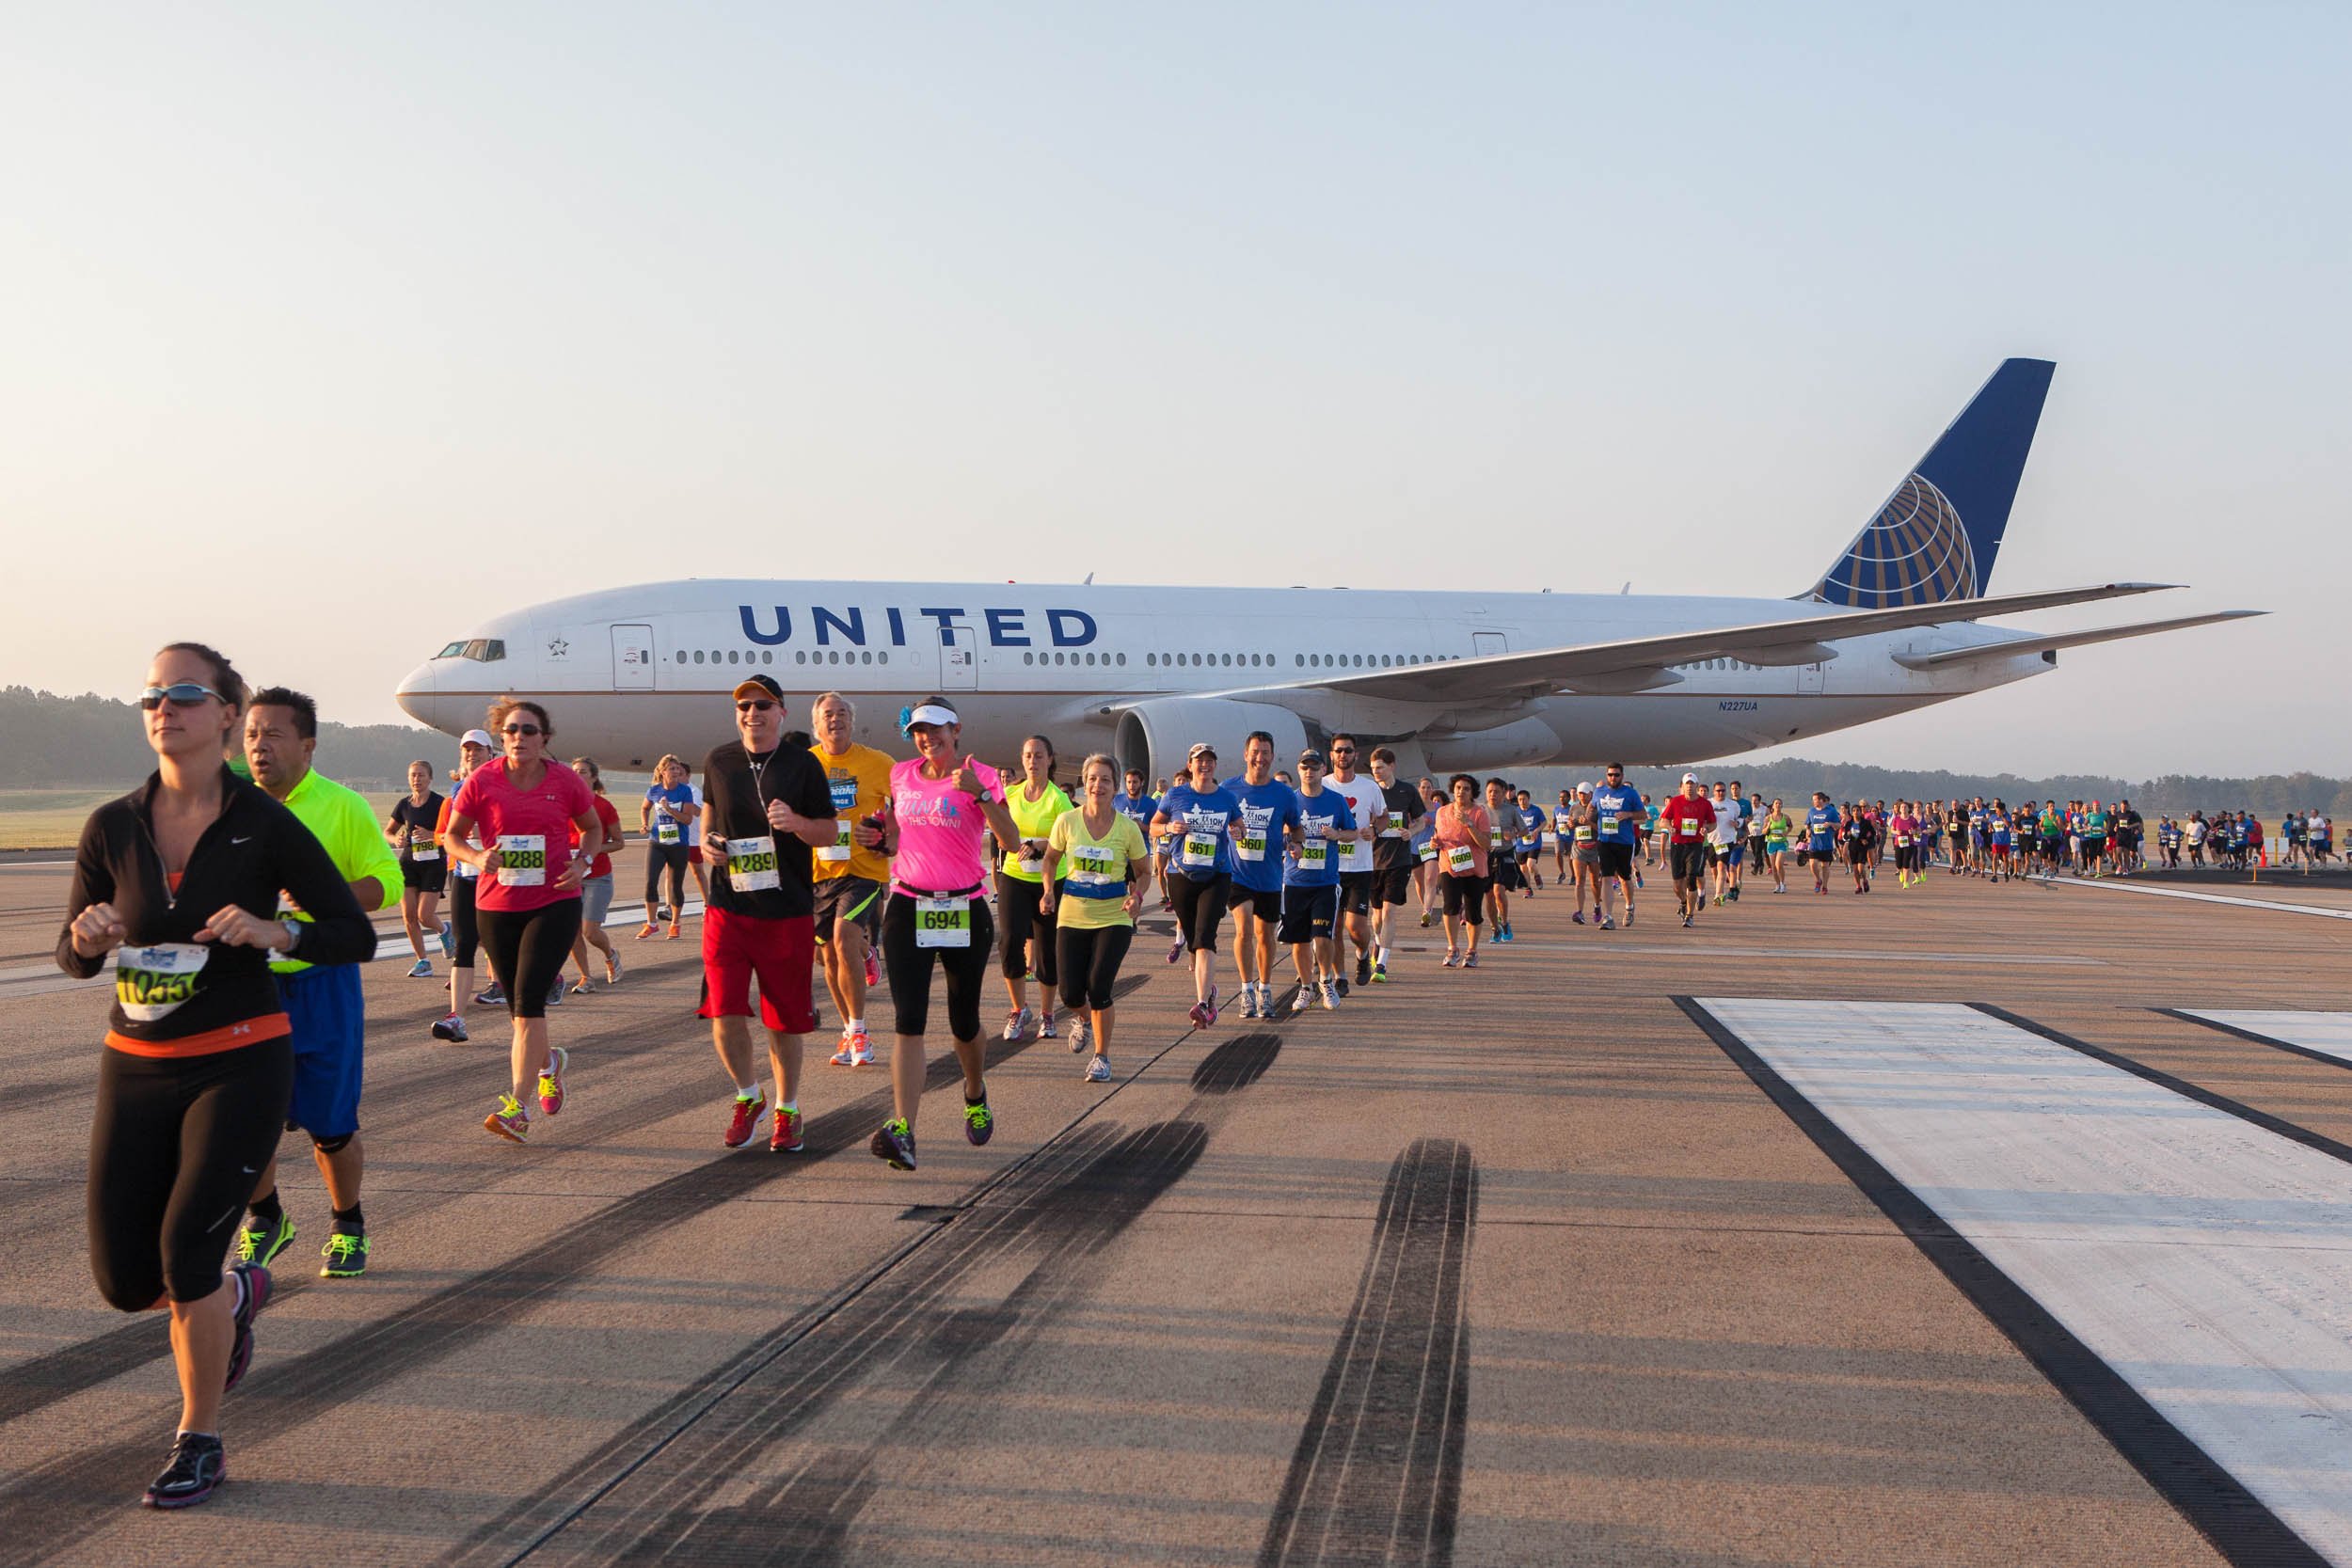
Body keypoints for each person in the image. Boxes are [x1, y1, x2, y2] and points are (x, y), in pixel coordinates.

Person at [61, 642, 375, 1508]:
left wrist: (281, 935)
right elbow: (73, 952)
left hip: (239, 1060)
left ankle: (198, 1436)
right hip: (134, 1064)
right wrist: (86, 940)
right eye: (153, 695)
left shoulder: (267, 825)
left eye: (187, 693)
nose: (165, 707)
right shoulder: (111, 825)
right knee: (127, 1281)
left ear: (228, 715)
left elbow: (353, 931)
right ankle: (239, 1294)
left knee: (185, 1254)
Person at [235, 687, 402, 1282]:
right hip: (248, 987)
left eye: (273, 735)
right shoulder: (224, 808)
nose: (259, 747)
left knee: (332, 1127)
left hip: (323, 984)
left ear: (307, 744)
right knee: (242, 1120)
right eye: (251, 735)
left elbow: (387, 883)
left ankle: (347, 1223)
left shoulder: (342, 807)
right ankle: (265, 1217)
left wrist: (317, 899)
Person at [442, 698, 604, 1143]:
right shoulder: (483, 780)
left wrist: (584, 862)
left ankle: (517, 1106)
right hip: (496, 905)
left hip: (554, 902)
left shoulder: (565, 781)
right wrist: (476, 855)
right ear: (501, 736)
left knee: (530, 1000)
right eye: (511, 730)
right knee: (518, 1009)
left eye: (529, 731)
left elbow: (592, 829)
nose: (519, 738)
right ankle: (548, 1062)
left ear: (544, 738)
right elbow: (451, 837)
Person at [870, 697, 1022, 1171]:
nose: (926, 738)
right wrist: (879, 836)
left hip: (965, 907)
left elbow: (1012, 841)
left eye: (935, 729)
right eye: (918, 730)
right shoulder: (901, 775)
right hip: (909, 904)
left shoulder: (982, 774)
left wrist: (979, 794)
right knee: (907, 1020)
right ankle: (904, 1130)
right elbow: (897, 832)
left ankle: (974, 1091)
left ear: (956, 730)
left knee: (964, 1020)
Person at [694, 676, 837, 1151]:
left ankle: (787, 1108)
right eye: (743, 706)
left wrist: (796, 824)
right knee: (724, 1012)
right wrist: (707, 845)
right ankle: (747, 1094)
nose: (751, 713)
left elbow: (828, 833)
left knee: (783, 1020)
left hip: (786, 910)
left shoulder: (804, 764)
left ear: (782, 713)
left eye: (761, 705)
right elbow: (709, 823)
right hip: (728, 908)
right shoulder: (719, 760)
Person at [1040, 753, 1151, 1081]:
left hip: (1114, 916)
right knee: (1070, 993)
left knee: (1099, 985)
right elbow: (1050, 860)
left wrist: (1137, 896)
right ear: (1083, 783)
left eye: (1104, 780)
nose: (1097, 785)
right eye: (1091, 779)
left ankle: (1102, 1058)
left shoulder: (1127, 829)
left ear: (1115, 786)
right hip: (1072, 915)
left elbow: (1144, 871)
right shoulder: (1067, 822)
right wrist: (1048, 891)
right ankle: (1085, 1019)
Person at [801, 693, 894, 1069]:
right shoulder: (804, 764)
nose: (835, 720)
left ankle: (860, 1031)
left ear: (852, 722)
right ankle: (847, 1027)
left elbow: (902, 809)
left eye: (842, 714)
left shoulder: (877, 762)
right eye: (828, 715)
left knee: (842, 937)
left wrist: (886, 836)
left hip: (863, 870)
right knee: (826, 956)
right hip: (817, 873)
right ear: (817, 725)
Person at [1152, 743, 1241, 1028]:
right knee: (1192, 939)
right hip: (1180, 876)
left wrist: (1238, 831)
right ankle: (1209, 989)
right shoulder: (1175, 795)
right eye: (1199, 761)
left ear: (1215, 766)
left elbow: (1240, 827)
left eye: (1209, 761)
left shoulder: (1226, 797)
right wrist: (1168, 829)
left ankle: (1204, 1005)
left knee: (1204, 938)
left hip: (1216, 876)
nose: (1205, 766)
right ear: (1189, 765)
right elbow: (1153, 826)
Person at [995, 736, 1073, 1041]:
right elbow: (999, 829)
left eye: (1039, 756)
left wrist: (1040, 844)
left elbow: (1068, 838)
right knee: (1009, 942)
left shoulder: (1058, 798)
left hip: (1050, 881)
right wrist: (1009, 841)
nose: (1032, 761)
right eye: (1028, 756)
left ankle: (1048, 1014)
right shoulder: (1010, 794)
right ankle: (1019, 1008)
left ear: (1050, 760)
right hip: (1014, 875)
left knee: (1047, 950)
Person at [1225, 731, 1303, 1020]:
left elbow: (1296, 828)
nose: (1260, 758)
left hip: (1270, 875)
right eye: (1255, 752)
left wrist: (1298, 844)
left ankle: (1265, 989)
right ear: (1246, 755)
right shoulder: (1229, 789)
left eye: (1266, 752)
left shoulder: (1283, 794)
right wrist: (1228, 830)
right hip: (1238, 874)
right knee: (1244, 929)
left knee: (1265, 935)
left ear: (1273, 756)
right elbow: (1217, 820)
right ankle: (1246, 990)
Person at [1281, 750, 1365, 1010]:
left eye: (1315, 768)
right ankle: (1305, 988)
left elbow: (1354, 834)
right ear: (1299, 770)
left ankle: (1326, 981)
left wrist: (1337, 834)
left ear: (1322, 770)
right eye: (1305, 768)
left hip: (1326, 881)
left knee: (1323, 935)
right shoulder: (1290, 801)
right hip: (1295, 880)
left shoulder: (1336, 801)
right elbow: (1280, 834)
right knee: (1300, 940)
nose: (1310, 772)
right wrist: (1290, 843)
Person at [431, 729, 496, 1040]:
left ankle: (540, 989)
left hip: (497, 875)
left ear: (490, 754)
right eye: (467, 750)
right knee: (464, 942)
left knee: (501, 944)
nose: (472, 754)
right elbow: (444, 834)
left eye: (478, 749)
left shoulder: (501, 784)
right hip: (465, 873)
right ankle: (457, 1016)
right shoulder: (457, 790)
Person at [1327, 735, 1388, 989]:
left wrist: (1374, 829)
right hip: (1330, 867)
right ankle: (1340, 976)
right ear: (1332, 755)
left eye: (1348, 751)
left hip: (1360, 866)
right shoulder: (1323, 785)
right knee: (1334, 927)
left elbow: (1383, 817)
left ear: (1356, 755)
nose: (1343, 755)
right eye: (1339, 750)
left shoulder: (1369, 787)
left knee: (1355, 927)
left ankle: (1363, 955)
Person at [1366, 746, 1425, 982]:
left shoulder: (1407, 791)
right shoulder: (1370, 791)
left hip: (1399, 860)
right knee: (1377, 916)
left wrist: (1411, 831)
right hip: (1372, 860)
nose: (1376, 772)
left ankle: (1381, 964)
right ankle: (1377, 944)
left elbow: (1421, 821)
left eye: (1380, 767)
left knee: (1390, 912)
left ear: (1392, 766)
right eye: (1372, 769)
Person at [384, 760, 448, 976]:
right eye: (413, 775)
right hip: (409, 864)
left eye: (421, 775)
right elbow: (388, 832)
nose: (416, 780)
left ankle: (444, 930)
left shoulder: (441, 803)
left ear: (430, 778)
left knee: (424, 916)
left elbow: (453, 833)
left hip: (434, 864)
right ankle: (423, 961)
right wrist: (396, 840)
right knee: (409, 915)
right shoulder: (404, 805)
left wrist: (432, 835)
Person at [565, 758, 625, 991]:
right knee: (572, 931)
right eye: (574, 772)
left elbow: (619, 842)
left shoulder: (603, 806)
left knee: (590, 931)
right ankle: (586, 978)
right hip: (570, 875)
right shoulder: (563, 804)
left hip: (597, 876)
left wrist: (593, 849)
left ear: (593, 777)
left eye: (583, 772)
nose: (577, 775)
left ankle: (610, 955)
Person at [1429, 774, 1491, 966]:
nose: (1461, 792)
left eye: (1466, 788)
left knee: (1473, 912)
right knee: (1450, 907)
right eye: (1458, 788)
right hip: (1449, 865)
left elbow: (1486, 844)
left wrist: (1469, 824)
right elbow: (1440, 836)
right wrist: (1435, 842)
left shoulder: (1479, 813)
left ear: (1472, 792)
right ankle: (1452, 948)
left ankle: (1472, 950)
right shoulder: (1442, 812)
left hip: (1474, 867)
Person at [639, 756, 697, 938]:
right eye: (672, 769)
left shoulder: (685, 791)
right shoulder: (654, 790)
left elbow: (688, 820)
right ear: (663, 771)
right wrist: (644, 824)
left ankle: (675, 923)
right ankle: (651, 923)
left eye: (678, 769)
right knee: (650, 882)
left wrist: (669, 809)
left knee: (675, 885)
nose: (676, 772)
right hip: (657, 842)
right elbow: (645, 808)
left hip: (678, 844)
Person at [1659, 773, 1716, 927]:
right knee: (1677, 885)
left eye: (1692, 784)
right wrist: (1670, 827)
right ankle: (1684, 902)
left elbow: (1713, 823)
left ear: (1697, 786)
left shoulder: (1705, 804)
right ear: (1682, 786)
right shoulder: (1676, 802)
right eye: (1687, 784)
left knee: (1691, 878)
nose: (1690, 787)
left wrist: (1706, 828)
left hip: (1695, 845)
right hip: (1678, 845)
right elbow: (1662, 821)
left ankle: (1690, 916)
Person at [1591, 764, 1643, 928]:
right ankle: (1608, 916)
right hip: (1604, 840)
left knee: (1625, 877)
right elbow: (1592, 808)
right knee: (1606, 877)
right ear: (1606, 775)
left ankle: (1629, 906)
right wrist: (1586, 817)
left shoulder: (1630, 793)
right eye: (1610, 775)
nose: (1613, 778)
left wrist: (1628, 814)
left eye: (1617, 775)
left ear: (1622, 776)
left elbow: (1644, 815)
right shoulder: (1599, 792)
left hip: (1624, 842)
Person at [1113, 767, 1162, 912]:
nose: (1131, 785)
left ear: (1141, 783)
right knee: (1118, 889)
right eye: (1128, 782)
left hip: (1139, 851)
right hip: (1119, 850)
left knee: (1135, 889)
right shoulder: (1117, 800)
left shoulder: (1150, 803)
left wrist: (1141, 826)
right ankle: (1118, 918)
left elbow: (1155, 828)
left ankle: (1133, 921)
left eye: (1135, 782)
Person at [1482, 778, 1522, 941]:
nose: (1493, 794)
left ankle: (1504, 922)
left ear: (1504, 793)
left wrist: (1513, 834)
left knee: (1499, 891)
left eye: (1496, 791)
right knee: (1489, 895)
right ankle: (1494, 928)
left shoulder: (1510, 810)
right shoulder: (1480, 810)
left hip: (1504, 854)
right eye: (1490, 791)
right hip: (1486, 855)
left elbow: (1524, 830)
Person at [1804, 791, 1838, 894]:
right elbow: (1807, 824)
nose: (1813, 802)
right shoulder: (1811, 811)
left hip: (1826, 843)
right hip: (1814, 843)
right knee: (1813, 864)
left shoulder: (1831, 811)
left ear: (1821, 800)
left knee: (1825, 866)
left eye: (1815, 800)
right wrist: (1808, 830)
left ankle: (1825, 886)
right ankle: (1818, 880)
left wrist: (1830, 824)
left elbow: (1839, 825)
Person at [1761, 799, 1793, 892]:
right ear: (1773, 806)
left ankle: (1783, 884)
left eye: (1780, 804)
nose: (1778, 805)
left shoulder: (1786, 817)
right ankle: (1777, 885)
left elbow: (1790, 826)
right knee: (1773, 866)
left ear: (1782, 806)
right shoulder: (1768, 818)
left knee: (1779, 864)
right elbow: (1763, 832)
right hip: (1771, 843)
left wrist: (1786, 832)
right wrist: (1768, 826)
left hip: (1782, 843)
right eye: (1776, 803)